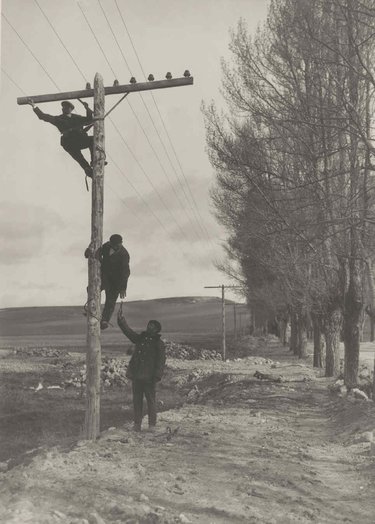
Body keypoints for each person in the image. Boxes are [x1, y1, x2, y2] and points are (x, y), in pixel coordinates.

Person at [118, 307, 166, 432]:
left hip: (149, 378)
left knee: (151, 401)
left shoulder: (159, 343)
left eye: (152, 326)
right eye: (149, 324)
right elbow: (129, 333)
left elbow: (161, 361)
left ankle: (152, 425)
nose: (149, 327)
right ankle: (137, 425)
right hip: (137, 376)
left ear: (156, 330)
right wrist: (121, 321)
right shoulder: (141, 338)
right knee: (137, 401)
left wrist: (157, 376)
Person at [27, 98, 94, 178]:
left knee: (93, 140)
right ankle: (89, 171)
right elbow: (43, 116)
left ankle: (94, 162)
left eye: (66, 107)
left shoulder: (77, 118)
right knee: (80, 160)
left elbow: (89, 120)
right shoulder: (58, 119)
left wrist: (87, 108)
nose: (64, 108)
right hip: (69, 143)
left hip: (79, 140)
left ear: (71, 109)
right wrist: (34, 106)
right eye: (63, 107)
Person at [85, 234, 130, 329]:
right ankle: (92, 309)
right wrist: (88, 252)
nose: (117, 247)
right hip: (104, 276)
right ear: (110, 243)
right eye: (114, 245)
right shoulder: (106, 246)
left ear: (121, 243)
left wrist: (123, 288)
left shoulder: (124, 254)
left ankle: (104, 321)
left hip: (116, 282)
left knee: (110, 302)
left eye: (118, 245)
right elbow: (97, 252)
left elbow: (125, 272)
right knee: (91, 289)